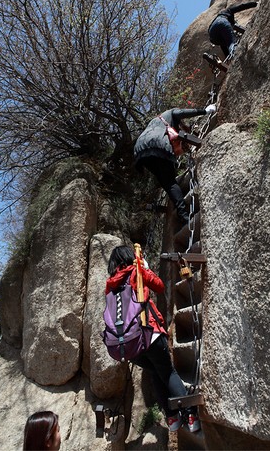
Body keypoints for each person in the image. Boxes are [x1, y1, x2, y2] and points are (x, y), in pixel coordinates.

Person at [106, 245, 201, 433]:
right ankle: (190, 415)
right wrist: (145, 268)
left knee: (156, 372)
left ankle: (172, 418)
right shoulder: (136, 271)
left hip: (127, 345)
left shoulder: (110, 284)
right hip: (148, 333)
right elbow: (159, 286)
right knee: (168, 372)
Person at [134, 105, 216, 224]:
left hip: (140, 150)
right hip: (158, 144)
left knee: (166, 183)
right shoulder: (169, 113)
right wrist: (204, 111)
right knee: (171, 183)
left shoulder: (153, 123)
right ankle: (183, 213)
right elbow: (182, 112)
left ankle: (180, 211)